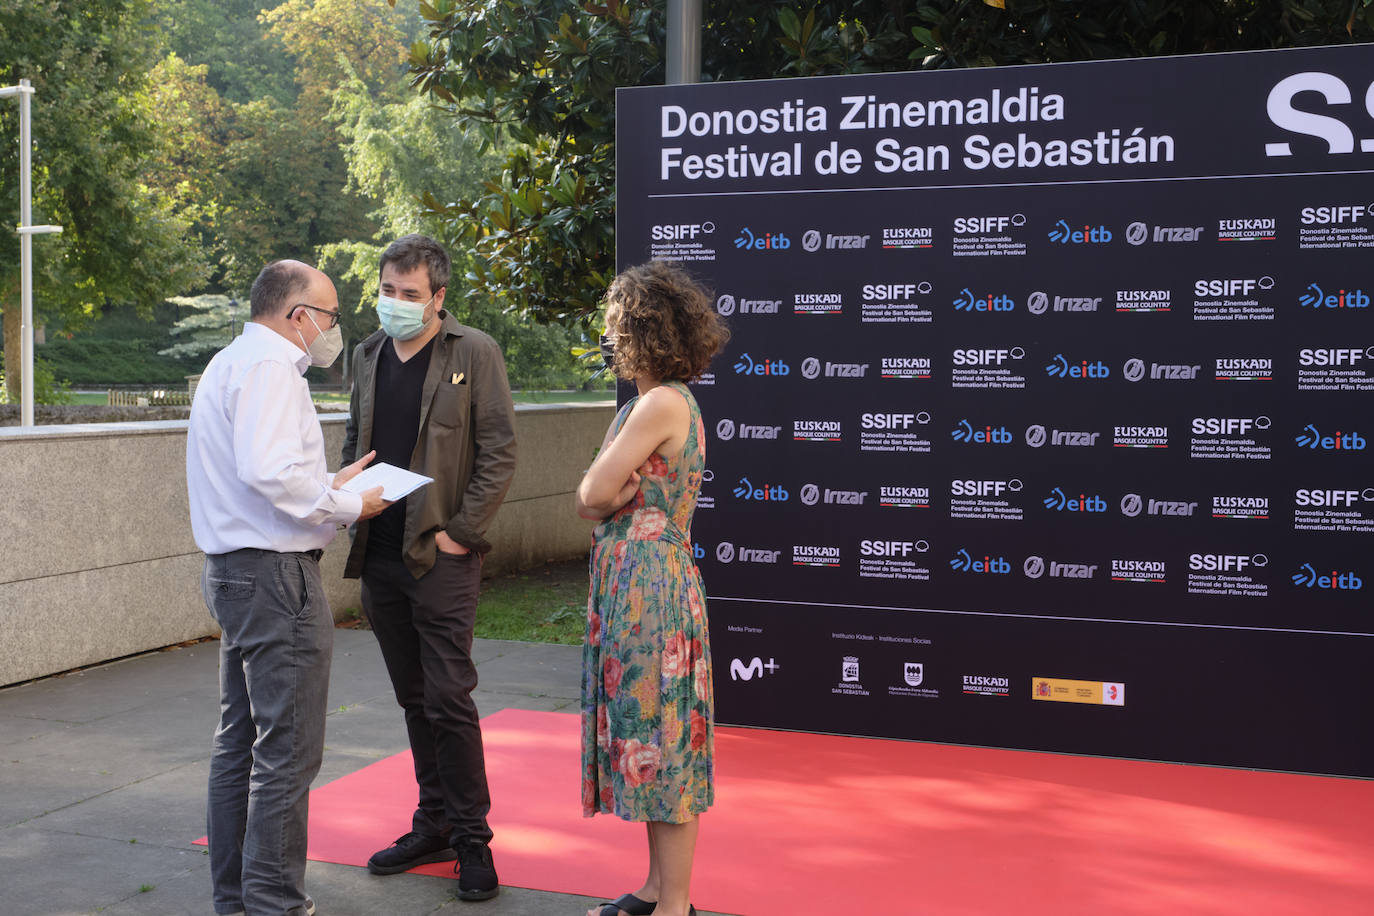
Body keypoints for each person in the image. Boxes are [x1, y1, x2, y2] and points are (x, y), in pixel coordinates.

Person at [187, 259, 389, 916]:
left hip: (237, 572)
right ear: (298, 314)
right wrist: (348, 504)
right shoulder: (273, 368)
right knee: (288, 749)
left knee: (240, 743)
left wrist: (331, 484)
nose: (334, 328)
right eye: (330, 315)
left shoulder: (230, 362)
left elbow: (262, 477)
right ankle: (276, 904)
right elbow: (270, 472)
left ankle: (239, 901)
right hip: (275, 579)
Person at [340, 234, 518, 901]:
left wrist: (461, 533)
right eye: (387, 291)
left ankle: (473, 840)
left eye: (409, 295)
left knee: (449, 697)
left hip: (437, 555)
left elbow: (499, 451)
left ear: (439, 297)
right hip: (377, 552)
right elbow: (354, 442)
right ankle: (434, 822)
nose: (395, 304)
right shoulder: (365, 354)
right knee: (414, 698)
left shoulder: (473, 352)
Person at [575, 260, 729, 916]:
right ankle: (655, 890)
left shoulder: (661, 401)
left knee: (663, 747)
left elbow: (588, 494)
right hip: (639, 584)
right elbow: (603, 493)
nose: (609, 336)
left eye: (615, 325)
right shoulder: (657, 402)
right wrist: (614, 492)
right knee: (647, 738)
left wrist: (613, 492)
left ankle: (676, 906)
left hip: (650, 593)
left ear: (640, 329)